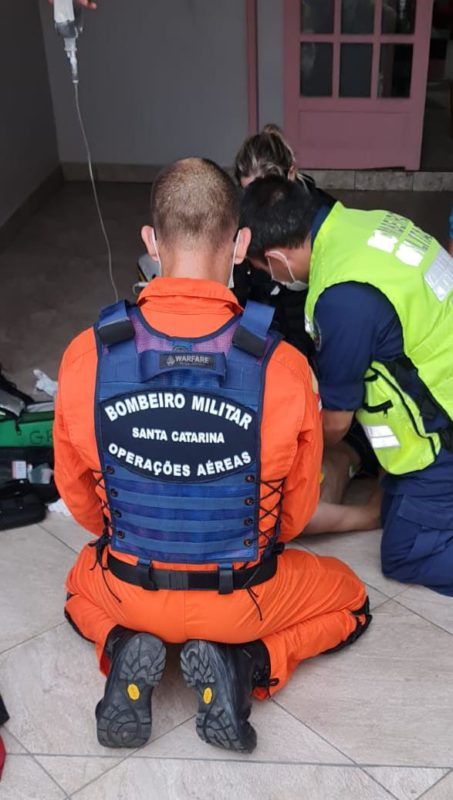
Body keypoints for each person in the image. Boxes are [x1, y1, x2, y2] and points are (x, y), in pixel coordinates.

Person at [54, 158, 371, 754]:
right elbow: (294, 518)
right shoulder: (282, 366)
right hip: (242, 598)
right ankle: (247, 663)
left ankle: (123, 646)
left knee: (75, 589)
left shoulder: (85, 357)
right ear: (241, 242)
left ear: (150, 242)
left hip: (129, 587)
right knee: (351, 599)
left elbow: (86, 510)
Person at [241, 174, 453, 596]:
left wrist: (280, 457)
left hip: (442, 427)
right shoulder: (362, 225)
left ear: (278, 256)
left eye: (261, 267)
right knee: (392, 503)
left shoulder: (341, 297)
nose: (270, 278)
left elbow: (335, 423)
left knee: (407, 551)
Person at [234, 126, 380, 536]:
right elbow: (244, 314)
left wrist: (307, 435)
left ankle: (359, 480)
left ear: (293, 175)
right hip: (281, 364)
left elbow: (338, 392)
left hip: (332, 382)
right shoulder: (247, 236)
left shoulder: (330, 249)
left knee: (308, 494)